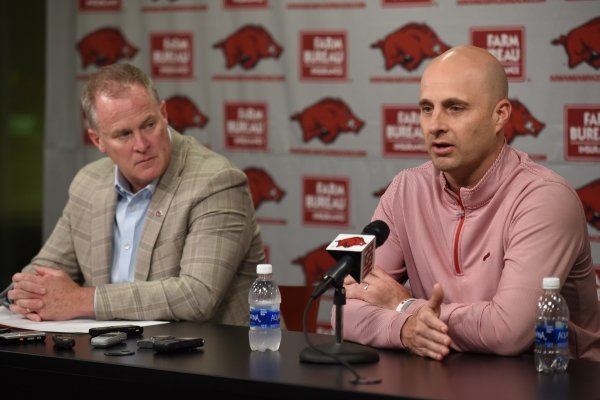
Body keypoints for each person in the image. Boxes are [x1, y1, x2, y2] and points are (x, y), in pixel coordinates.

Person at [341, 45, 600, 361]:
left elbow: (508, 331)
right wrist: (404, 329)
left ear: (499, 115)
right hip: (442, 379)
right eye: (426, 108)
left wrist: (403, 305)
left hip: (552, 381)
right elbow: (345, 309)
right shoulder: (405, 189)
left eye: (455, 108)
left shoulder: (545, 197)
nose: (435, 125)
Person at [2, 63, 265, 326]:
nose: (141, 145)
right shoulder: (88, 183)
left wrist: (81, 300)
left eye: (149, 125)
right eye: (124, 134)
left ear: (164, 114)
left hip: (213, 359)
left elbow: (196, 297)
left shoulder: (216, 181)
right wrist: (28, 295)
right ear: (98, 141)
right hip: (112, 356)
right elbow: (42, 271)